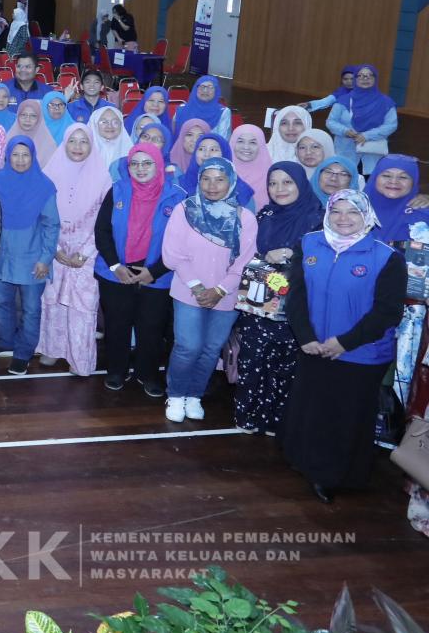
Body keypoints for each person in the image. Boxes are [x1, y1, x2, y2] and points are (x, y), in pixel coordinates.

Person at [281, 190, 405, 503]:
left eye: (353, 212)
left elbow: (387, 312)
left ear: (367, 217)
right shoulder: (309, 243)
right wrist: (306, 337)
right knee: (311, 409)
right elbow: (295, 295)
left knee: (345, 417)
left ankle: (333, 476)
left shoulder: (387, 258)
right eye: (336, 211)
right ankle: (304, 461)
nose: (343, 219)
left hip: (361, 354)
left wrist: (342, 343)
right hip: (314, 347)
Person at [159, 157, 258, 423]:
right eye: (206, 179)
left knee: (211, 349)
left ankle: (194, 396)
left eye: (220, 179)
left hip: (226, 295)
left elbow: (245, 262)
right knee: (188, 347)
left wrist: (220, 290)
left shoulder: (245, 218)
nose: (212, 186)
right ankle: (176, 395)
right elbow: (172, 254)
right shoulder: (184, 210)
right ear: (199, 180)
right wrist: (199, 287)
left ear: (231, 181)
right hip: (189, 291)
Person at [233, 162, 325, 436]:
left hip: (296, 305)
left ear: (301, 184)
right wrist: (266, 257)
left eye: (287, 182)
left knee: (286, 366)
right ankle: (248, 415)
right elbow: (247, 251)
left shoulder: (318, 218)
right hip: (259, 302)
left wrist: (292, 255)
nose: (279, 189)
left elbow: (321, 261)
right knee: (252, 361)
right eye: (273, 183)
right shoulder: (265, 214)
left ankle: (277, 420)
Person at [94, 141, 183, 396]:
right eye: (134, 163)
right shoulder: (117, 190)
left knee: (151, 327)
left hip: (156, 274)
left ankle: (148, 374)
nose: (140, 168)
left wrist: (154, 272)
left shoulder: (177, 197)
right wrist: (115, 265)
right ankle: (116, 370)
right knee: (117, 324)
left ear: (159, 165)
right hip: (116, 272)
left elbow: (180, 242)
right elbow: (102, 231)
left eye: (147, 163)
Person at [36, 125, 111, 376]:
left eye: (83, 141)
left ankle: (79, 358)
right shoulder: (49, 174)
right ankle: (52, 348)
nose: (78, 147)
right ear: (64, 143)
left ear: (91, 145)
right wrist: (54, 248)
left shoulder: (103, 178)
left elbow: (105, 221)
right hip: (56, 250)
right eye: (72, 141)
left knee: (82, 306)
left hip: (87, 254)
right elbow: (41, 215)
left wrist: (86, 251)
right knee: (52, 301)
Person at [0, 136, 60, 374]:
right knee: (3, 303)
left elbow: (51, 225)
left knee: (31, 309)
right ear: (7, 156)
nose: (20, 160)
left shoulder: (44, 185)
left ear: (33, 157)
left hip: (32, 258)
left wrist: (45, 259)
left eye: (25, 155)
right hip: (2, 256)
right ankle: (5, 341)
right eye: (15, 155)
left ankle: (23, 352)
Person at [323, 64, 396, 175]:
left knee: (369, 179)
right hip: (346, 151)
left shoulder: (386, 102)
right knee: (344, 178)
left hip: (372, 153)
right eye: (360, 75)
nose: (365, 78)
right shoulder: (343, 100)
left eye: (369, 75)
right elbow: (331, 122)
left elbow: (391, 125)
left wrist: (367, 135)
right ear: (355, 79)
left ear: (375, 79)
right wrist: (345, 131)